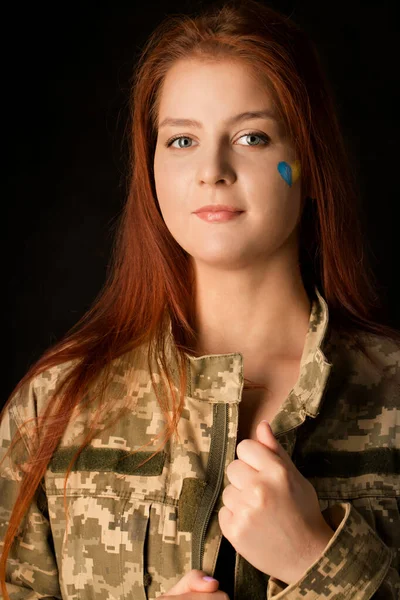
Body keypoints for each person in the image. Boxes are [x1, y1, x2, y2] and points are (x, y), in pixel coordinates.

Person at [1, 0, 399, 598]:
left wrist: (323, 561)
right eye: (182, 140)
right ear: (152, 166)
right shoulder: (51, 413)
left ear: (309, 163)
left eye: (252, 137)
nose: (212, 169)